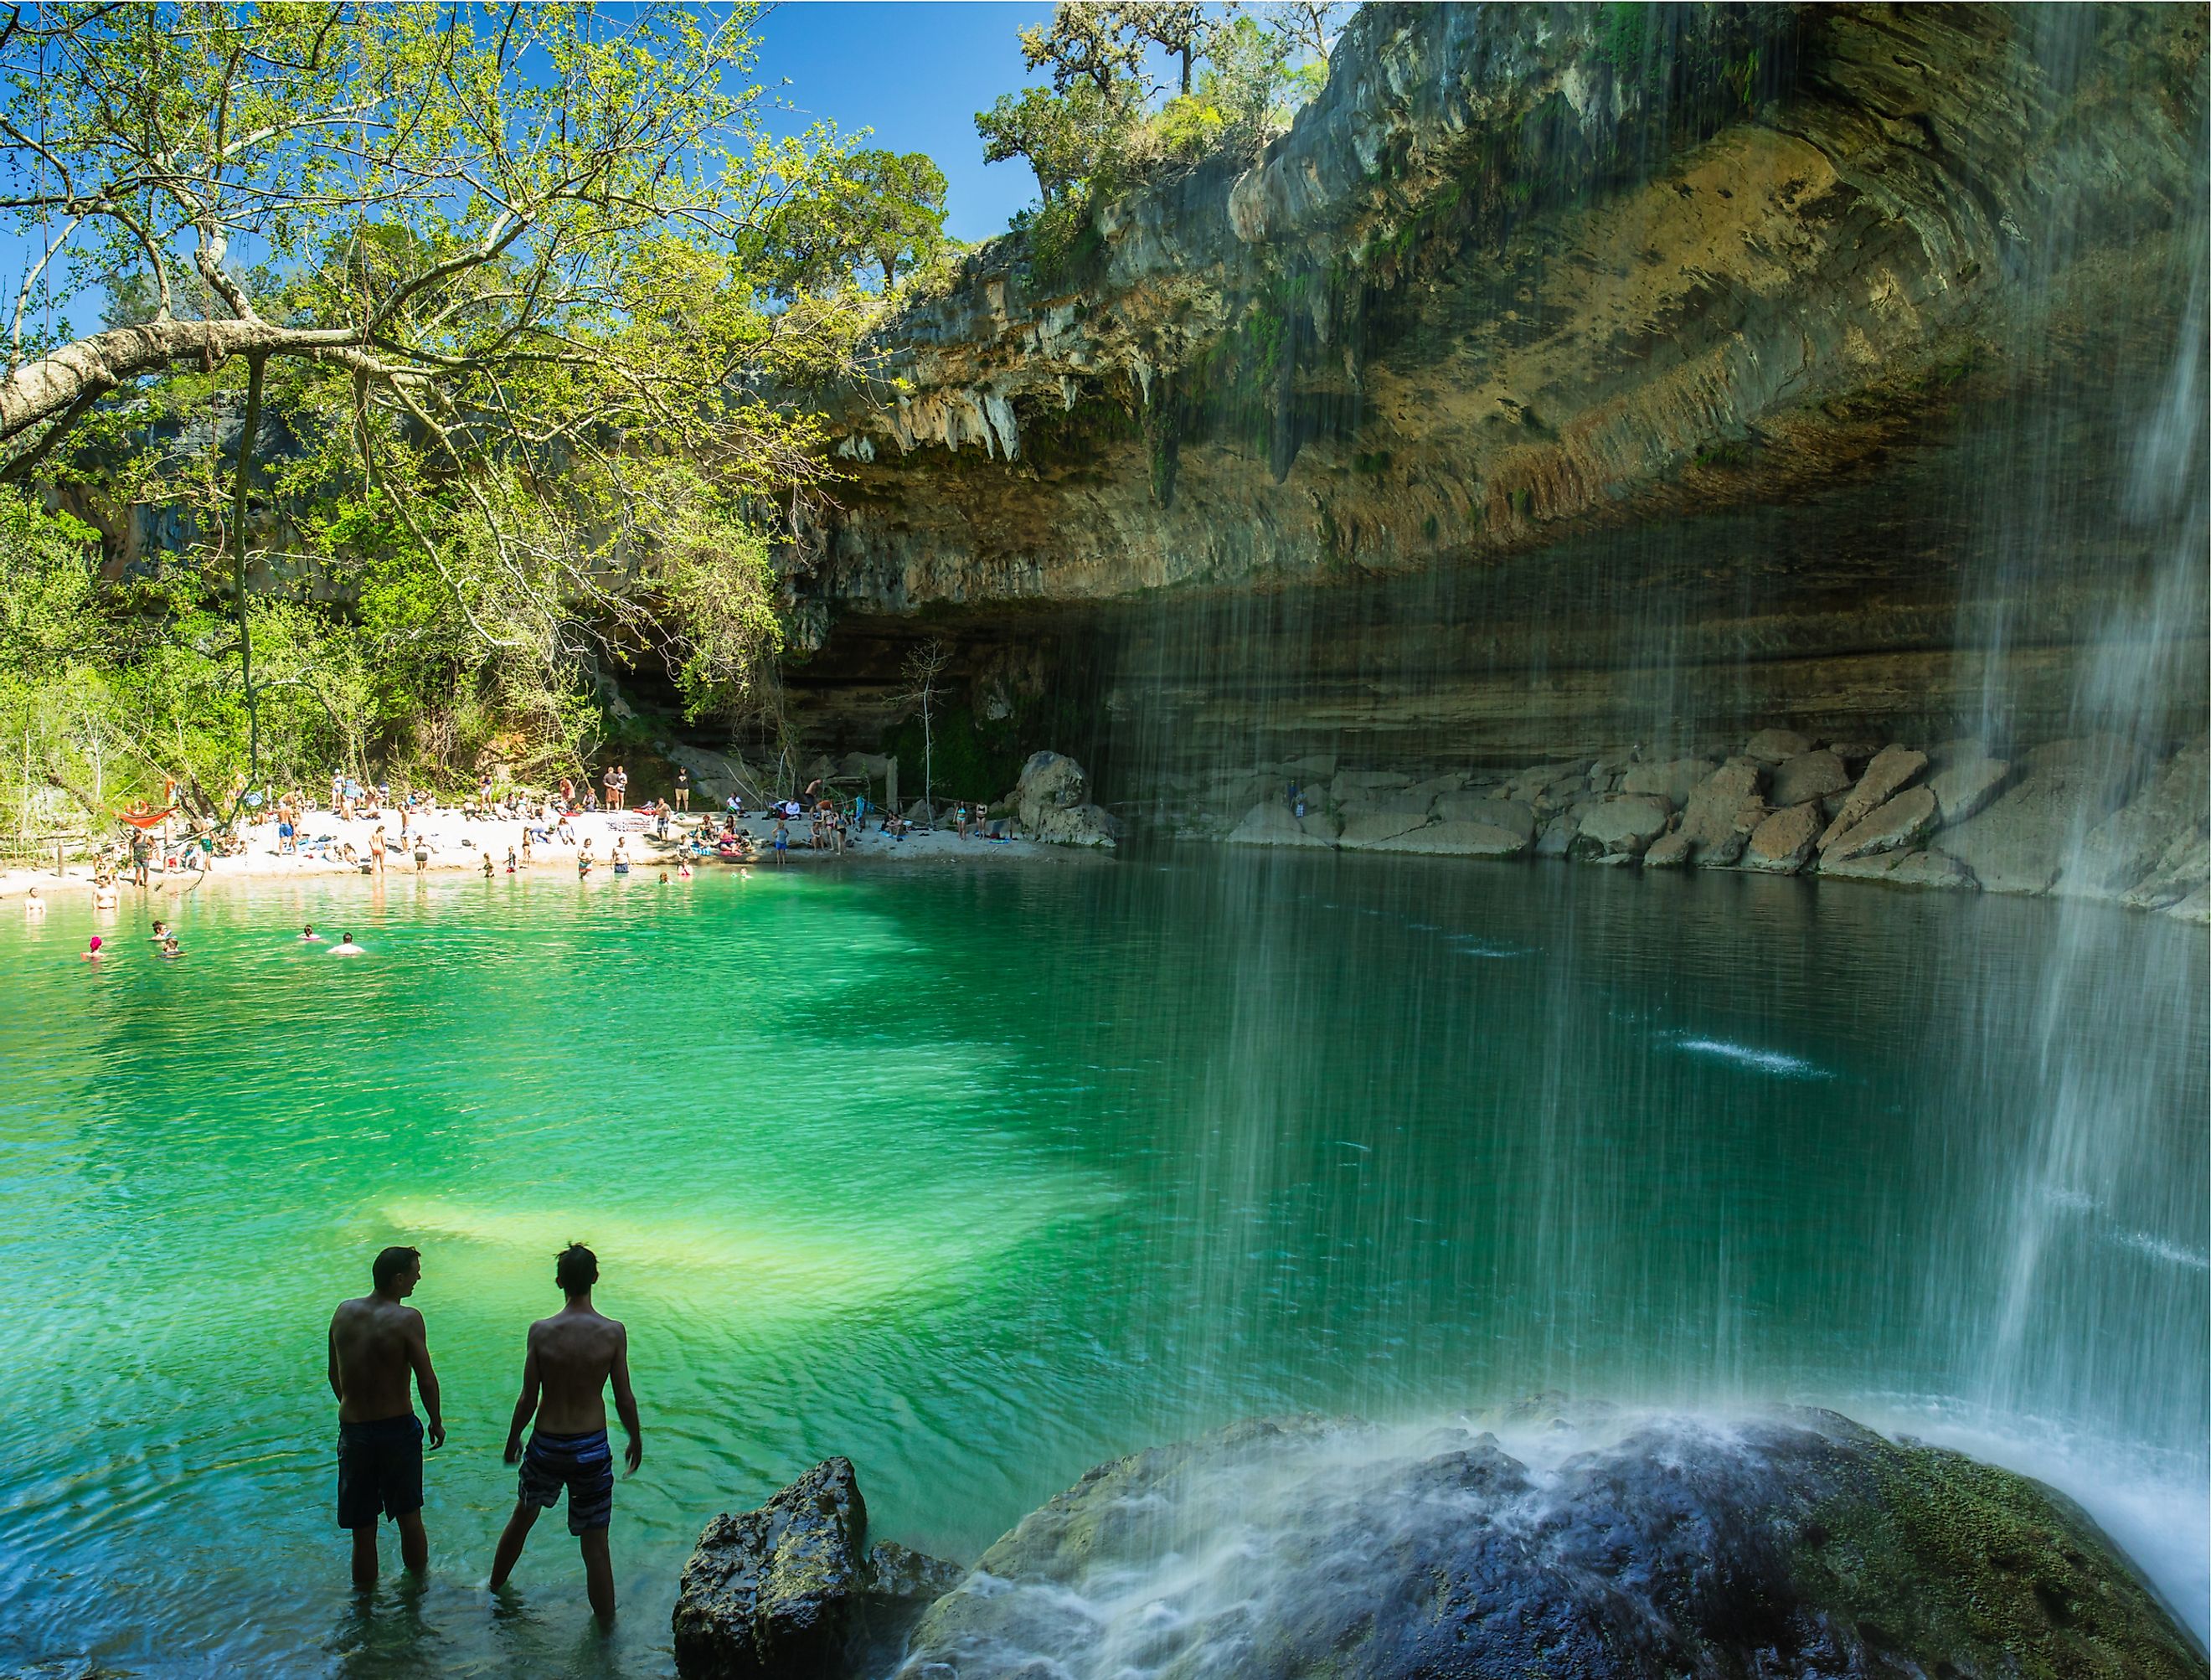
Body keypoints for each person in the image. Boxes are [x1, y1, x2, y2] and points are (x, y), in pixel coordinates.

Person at [489, 1244, 642, 1618]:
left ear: (558, 1281)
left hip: (547, 1444)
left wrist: (513, 1438)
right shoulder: (612, 1332)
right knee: (595, 1547)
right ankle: (607, 1635)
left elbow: (528, 1397)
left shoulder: (541, 1332)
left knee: (522, 1518)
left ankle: (492, 1592)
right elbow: (624, 1396)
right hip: (590, 1446)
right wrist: (635, 1438)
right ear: (595, 1278)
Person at [327, 1245, 445, 1591]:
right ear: (398, 1279)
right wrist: (436, 1420)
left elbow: (334, 1373)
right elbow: (426, 1377)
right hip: (396, 1430)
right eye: (414, 1272)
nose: (418, 1277)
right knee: (409, 1518)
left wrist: (354, 1408)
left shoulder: (343, 1313)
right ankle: (417, 1595)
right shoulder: (407, 1318)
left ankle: (364, 1611)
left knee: (363, 1530)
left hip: (354, 1431)